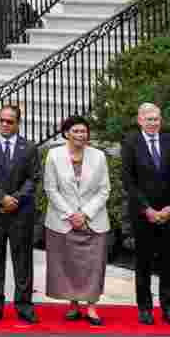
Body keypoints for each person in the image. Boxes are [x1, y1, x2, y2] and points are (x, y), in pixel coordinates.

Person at [120, 102, 170, 326]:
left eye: (156, 119)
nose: (153, 123)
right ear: (140, 120)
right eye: (149, 119)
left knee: (169, 262)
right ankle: (145, 307)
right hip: (142, 214)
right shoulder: (130, 142)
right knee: (144, 262)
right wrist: (146, 209)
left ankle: (168, 307)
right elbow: (128, 181)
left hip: (169, 214)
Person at [0, 103, 40, 323]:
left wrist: (16, 199)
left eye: (9, 121)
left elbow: (33, 178)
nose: (4, 124)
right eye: (1, 120)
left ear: (18, 124)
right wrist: (1, 198)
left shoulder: (29, 148)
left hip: (21, 212)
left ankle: (24, 305)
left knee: (22, 260)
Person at [42, 116, 110, 325]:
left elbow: (104, 189)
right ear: (66, 134)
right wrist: (71, 214)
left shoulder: (98, 156)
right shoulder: (54, 155)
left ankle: (91, 307)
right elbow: (50, 188)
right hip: (63, 221)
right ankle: (73, 304)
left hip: (94, 220)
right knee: (68, 264)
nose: (81, 135)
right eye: (76, 131)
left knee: (93, 265)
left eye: (84, 131)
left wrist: (85, 214)